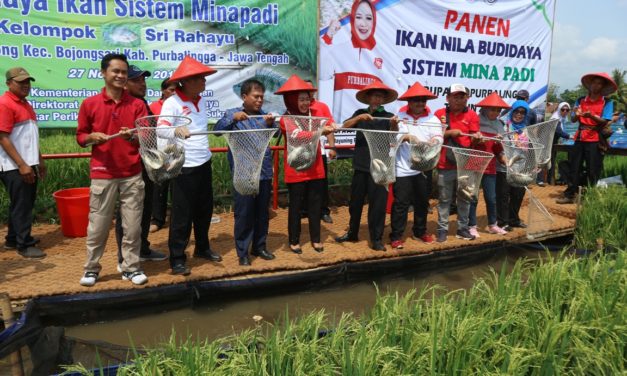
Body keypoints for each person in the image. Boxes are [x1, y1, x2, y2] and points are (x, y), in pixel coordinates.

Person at [76, 53, 148, 286]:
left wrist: (132, 137)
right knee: (97, 226)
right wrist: (91, 137)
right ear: (103, 73)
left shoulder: (137, 105)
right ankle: (91, 269)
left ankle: (131, 267)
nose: (120, 75)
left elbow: (144, 137)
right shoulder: (90, 104)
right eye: (115, 71)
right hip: (103, 173)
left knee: (132, 225)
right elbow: (80, 136)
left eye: (124, 72)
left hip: (131, 174)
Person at [159, 56, 222, 276]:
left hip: (204, 161)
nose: (204, 82)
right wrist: (175, 130)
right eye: (200, 78)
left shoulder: (201, 100)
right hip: (184, 166)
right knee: (182, 214)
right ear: (186, 81)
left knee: (204, 210)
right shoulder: (172, 102)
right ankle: (177, 258)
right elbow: (161, 129)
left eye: (204, 78)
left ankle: (202, 248)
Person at [214, 79, 277, 266]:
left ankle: (260, 246)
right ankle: (242, 252)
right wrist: (232, 120)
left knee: (262, 213)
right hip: (243, 174)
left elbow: (277, 133)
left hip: (264, 172)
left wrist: (273, 123)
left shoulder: (265, 116)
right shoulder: (233, 114)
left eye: (262, 97)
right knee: (244, 214)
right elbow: (217, 131)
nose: (259, 100)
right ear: (244, 97)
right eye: (256, 96)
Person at [335, 80, 399, 251]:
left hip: (380, 169)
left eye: (380, 96)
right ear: (369, 97)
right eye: (374, 95)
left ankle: (376, 239)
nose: (377, 99)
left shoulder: (388, 117)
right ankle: (353, 233)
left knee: (377, 205)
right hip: (360, 165)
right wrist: (358, 118)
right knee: (355, 203)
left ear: (384, 99)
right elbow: (343, 128)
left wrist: (394, 125)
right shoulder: (359, 113)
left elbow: (394, 137)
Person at [276, 75, 336, 254]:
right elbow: (296, 135)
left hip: (315, 165)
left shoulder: (316, 114)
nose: (304, 103)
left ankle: (316, 239)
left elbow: (330, 125)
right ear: (291, 100)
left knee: (315, 204)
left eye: (306, 99)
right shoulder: (285, 119)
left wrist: (331, 131)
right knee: (295, 205)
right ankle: (294, 240)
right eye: (300, 99)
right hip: (296, 168)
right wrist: (319, 131)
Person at [114, 65, 167, 267]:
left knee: (145, 209)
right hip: (130, 166)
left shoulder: (142, 103)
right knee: (127, 212)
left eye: (143, 79)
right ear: (124, 83)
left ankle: (142, 248)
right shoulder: (122, 105)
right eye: (136, 80)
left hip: (147, 164)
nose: (142, 83)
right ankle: (123, 257)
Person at [319, 0, 399, 122]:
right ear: (352, 20)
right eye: (358, 17)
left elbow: (393, 97)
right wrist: (328, 37)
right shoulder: (339, 50)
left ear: (374, 22)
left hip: (370, 131)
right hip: (343, 129)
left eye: (368, 18)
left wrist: (381, 123)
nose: (363, 23)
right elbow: (323, 74)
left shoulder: (384, 56)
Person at [0, 67, 46, 259]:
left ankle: (12, 239)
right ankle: (24, 244)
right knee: (23, 204)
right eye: (21, 82)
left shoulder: (25, 104)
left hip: (27, 162)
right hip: (14, 165)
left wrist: (39, 160)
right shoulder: (4, 103)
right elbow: (2, 137)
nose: (26, 85)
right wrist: (22, 165)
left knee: (21, 202)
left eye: (28, 82)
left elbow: (29, 137)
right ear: (9, 83)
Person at [389, 82, 441, 249]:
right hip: (402, 168)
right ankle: (396, 235)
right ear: (409, 102)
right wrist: (406, 136)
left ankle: (420, 231)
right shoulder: (400, 116)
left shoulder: (433, 119)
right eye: (416, 100)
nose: (420, 103)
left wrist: (434, 141)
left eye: (423, 100)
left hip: (424, 168)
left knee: (422, 202)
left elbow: (439, 138)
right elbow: (393, 139)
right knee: (401, 204)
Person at [557, 72, 616, 204]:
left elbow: (604, 121)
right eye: (594, 82)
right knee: (574, 167)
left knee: (593, 169)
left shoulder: (607, 102)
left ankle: (589, 196)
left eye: (599, 83)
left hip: (595, 139)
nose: (596, 85)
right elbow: (573, 119)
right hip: (579, 138)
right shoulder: (580, 100)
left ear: (602, 87)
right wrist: (577, 115)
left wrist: (591, 116)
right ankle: (570, 194)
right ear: (590, 85)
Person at [434, 84, 481, 242]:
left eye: (462, 96)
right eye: (455, 96)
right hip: (444, 164)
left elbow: (475, 138)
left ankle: (462, 228)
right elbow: (432, 135)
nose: (459, 100)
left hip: (465, 165)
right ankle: (442, 229)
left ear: (467, 98)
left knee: (464, 198)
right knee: (444, 199)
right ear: (448, 98)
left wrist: (477, 137)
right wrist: (449, 133)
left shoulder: (473, 115)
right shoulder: (439, 114)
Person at [468, 93, 509, 238]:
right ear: (484, 109)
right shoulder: (476, 121)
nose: (495, 113)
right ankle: (471, 226)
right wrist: (478, 140)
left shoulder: (499, 125)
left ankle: (493, 225)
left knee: (491, 197)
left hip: (491, 166)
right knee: (472, 196)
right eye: (492, 109)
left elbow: (497, 150)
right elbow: (469, 143)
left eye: (498, 110)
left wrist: (502, 153)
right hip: (475, 163)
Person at [305, 79, 336, 224]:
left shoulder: (322, 107)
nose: (308, 92)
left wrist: (332, 146)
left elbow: (329, 127)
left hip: (320, 150)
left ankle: (323, 211)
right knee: (303, 181)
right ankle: (303, 211)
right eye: (305, 90)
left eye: (310, 90)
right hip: (301, 151)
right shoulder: (297, 108)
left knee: (321, 183)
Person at [149, 78, 178, 233]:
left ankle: (177, 217)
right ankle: (157, 219)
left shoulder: (180, 106)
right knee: (159, 186)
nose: (174, 93)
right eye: (171, 90)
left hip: (177, 153)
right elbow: (148, 132)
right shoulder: (153, 107)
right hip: (159, 152)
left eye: (176, 90)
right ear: (163, 90)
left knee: (178, 187)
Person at [498, 99, 531, 231]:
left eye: (523, 112)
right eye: (517, 111)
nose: (519, 114)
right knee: (503, 195)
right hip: (503, 167)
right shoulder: (504, 126)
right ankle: (502, 222)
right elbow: (499, 145)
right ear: (512, 111)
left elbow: (528, 149)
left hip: (520, 168)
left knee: (518, 194)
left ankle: (514, 219)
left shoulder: (525, 130)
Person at [548, 102, 573, 184]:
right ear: (559, 109)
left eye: (567, 110)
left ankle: (563, 178)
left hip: (553, 141)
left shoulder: (562, 118)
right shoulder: (555, 118)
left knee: (552, 159)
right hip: (549, 142)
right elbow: (558, 131)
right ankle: (549, 180)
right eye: (563, 109)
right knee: (550, 160)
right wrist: (569, 136)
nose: (565, 111)